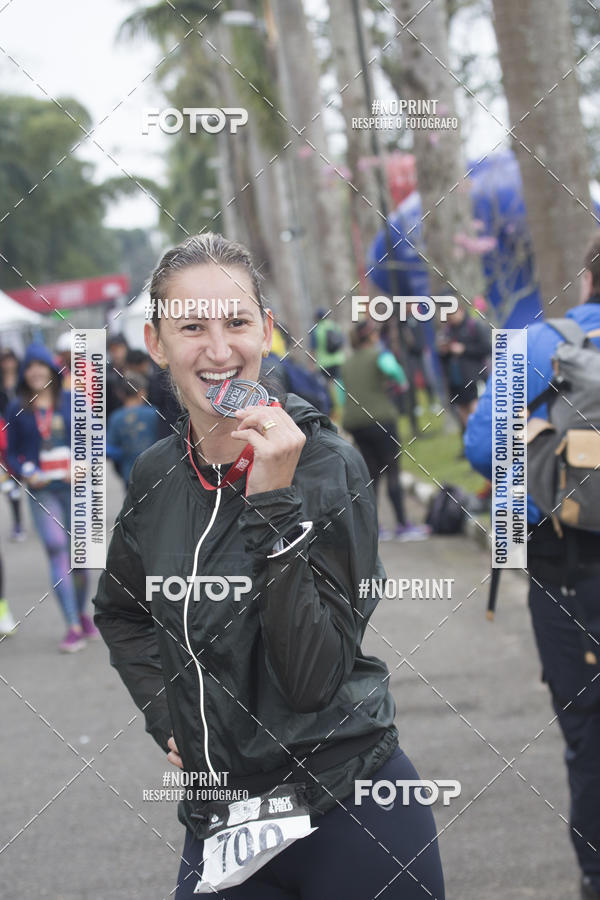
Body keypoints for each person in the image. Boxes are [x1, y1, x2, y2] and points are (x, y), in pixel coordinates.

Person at [93, 233, 445, 900]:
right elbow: (121, 611)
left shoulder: (327, 465)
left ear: (266, 330)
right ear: (155, 343)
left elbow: (313, 679)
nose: (219, 350)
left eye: (236, 323)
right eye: (192, 327)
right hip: (221, 818)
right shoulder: (156, 474)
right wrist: (171, 714)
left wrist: (273, 504)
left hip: (349, 804)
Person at [465, 234, 600, 900]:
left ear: (587, 279)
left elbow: (482, 449)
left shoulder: (537, 343)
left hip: (567, 566)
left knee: (589, 732)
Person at [5, 342, 98, 652]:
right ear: (24, 373)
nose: (35, 372)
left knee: (79, 557)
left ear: (52, 370)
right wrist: (25, 471)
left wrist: (84, 463)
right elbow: (10, 453)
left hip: (76, 486)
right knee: (56, 547)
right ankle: (72, 625)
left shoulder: (73, 400)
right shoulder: (16, 408)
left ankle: (82, 614)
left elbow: (93, 438)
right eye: (29, 367)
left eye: (40, 366)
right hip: (42, 489)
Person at [341, 319, 430, 542]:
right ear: (371, 336)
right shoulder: (379, 354)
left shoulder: (347, 363)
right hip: (381, 419)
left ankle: (376, 528)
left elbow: (342, 394)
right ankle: (402, 524)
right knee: (392, 470)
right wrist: (400, 384)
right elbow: (395, 372)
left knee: (371, 475)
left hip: (355, 423)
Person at [436, 302, 491, 442]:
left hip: (474, 378)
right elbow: (443, 360)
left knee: (477, 414)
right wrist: (444, 352)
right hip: (456, 381)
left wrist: (464, 349)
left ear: (460, 310)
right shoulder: (446, 331)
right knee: (464, 417)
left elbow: (487, 348)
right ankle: (472, 444)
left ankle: (486, 442)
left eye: (452, 313)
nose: (451, 317)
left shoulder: (474, 326)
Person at [106, 372, 160, 486]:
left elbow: (109, 449)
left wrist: (125, 452)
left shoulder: (116, 417)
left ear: (120, 394)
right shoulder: (154, 413)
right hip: (155, 473)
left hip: (130, 475)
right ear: (142, 392)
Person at [0, 348, 25, 540]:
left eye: (10, 359)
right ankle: (18, 523)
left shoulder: (25, 380)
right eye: (4, 360)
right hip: (5, 435)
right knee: (10, 483)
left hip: (26, 433)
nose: (8, 363)